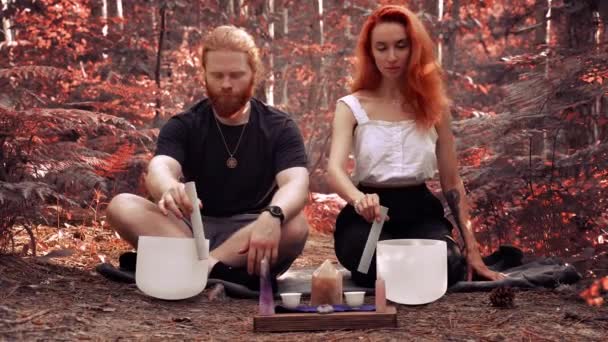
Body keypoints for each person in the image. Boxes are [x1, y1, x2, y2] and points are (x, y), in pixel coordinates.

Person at [105, 25, 309, 292]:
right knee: (121, 205)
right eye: (217, 75)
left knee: (296, 226)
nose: (226, 84)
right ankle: (217, 271)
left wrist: (272, 216)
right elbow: (160, 167)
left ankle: (191, 266)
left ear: (253, 74)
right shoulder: (185, 124)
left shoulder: (280, 127)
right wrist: (168, 187)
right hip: (191, 231)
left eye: (236, 75)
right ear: (204, 75)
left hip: (252, 234)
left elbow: (297, 182)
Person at [326, 5, 505, 288]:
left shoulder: (434, 108)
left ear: (415, 48)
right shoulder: (351, 106)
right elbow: (334, 170)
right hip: (369, 216)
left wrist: (472, 247)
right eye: (381, 48)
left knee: (447, 262)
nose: (392, 56)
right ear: (370, 53)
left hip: (421, 213)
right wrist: (358, 199)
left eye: (401, 46)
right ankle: (409, 270)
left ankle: (426, 266)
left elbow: (452, 181)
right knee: (370, 264)